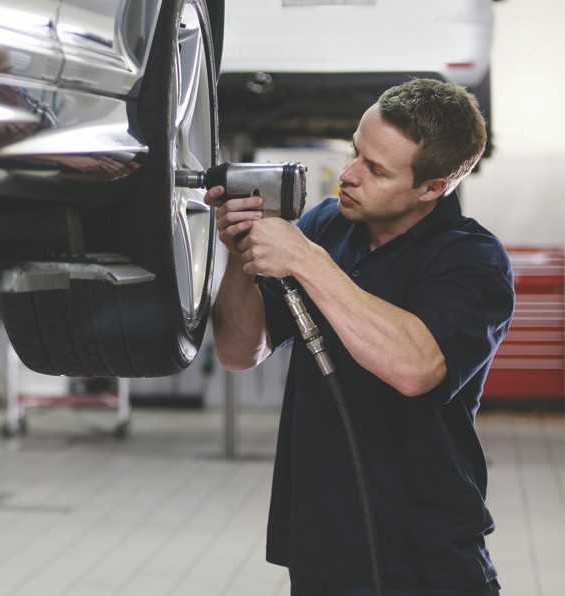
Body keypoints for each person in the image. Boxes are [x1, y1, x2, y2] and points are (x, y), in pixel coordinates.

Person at [207, 78, 513, 595]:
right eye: (355, 152)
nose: (348, 176)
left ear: (432, 187)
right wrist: (242, 258)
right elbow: (240, 351)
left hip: (426, 554)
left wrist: (306, 262)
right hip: (320, 547)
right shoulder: (328, 226)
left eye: (376, 170)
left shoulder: (471, 259)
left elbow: (416, 368)